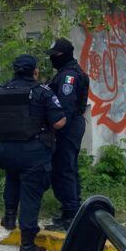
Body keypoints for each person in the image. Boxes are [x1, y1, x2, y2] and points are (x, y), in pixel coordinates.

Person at [0, 54, 66, 251]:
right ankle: (27, 245)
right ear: (35, 71)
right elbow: (59, 123)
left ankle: (9, 218)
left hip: (7, 149)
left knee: (12, 180)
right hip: (33, 151)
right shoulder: (42, 92)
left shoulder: (0, 90)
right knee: (31, 195)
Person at [46, 38, 91, 231]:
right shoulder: (66, 72)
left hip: (67, 126)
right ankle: (72, 209)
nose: (51, 60)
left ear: (64, 55)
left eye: (54, 56)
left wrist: (56, 128)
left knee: (63, 168)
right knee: (68, 167)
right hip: (71, 125)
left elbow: (65, 107)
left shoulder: (69, 77)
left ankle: (70, 214)